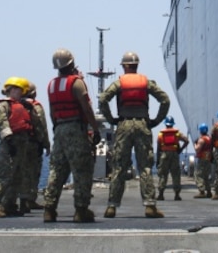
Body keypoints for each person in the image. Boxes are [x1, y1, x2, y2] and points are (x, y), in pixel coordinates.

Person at [97, 50, 170, 219]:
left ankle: (112, 207)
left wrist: (111, 119)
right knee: (145, 166)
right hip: (143, 124)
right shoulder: (146, 83)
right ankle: (150, 206)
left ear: (124, 67)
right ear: (136, 65)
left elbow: (102, 100)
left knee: (119, 166)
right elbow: (165, 100)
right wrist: (156, 121)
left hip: (123, 124)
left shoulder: (119, 83)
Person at [42, 48, 103, 224]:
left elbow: (52, 111)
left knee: (57, 170)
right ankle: (81, 210)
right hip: (76, 128)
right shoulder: (77, 83)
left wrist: (56, 127)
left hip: (59, 129)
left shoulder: (51, 85)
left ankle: (49, 209)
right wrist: (95, 129)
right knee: (82, 170)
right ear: (71, 63)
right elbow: (87, 108)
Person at [0, 77, 40, 217]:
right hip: (10, 146)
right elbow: (2, 124)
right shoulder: (2, 106)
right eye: (20, 91)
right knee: (3, 177)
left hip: (22, 145)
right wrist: (9, 141)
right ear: (12, 90)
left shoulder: (23, 105)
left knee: (17, 176)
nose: (22, 94)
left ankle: (9, 204)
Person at [21, 81, 50, 214]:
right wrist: (46, 144)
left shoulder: (16, 104)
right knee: (33, 171)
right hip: (33, 143)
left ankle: (20, 199)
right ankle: (29, 199)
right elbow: (41, 125)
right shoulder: (35, 106)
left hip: (18, 142)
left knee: (20, 171)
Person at [154, 116, 189, 201]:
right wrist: (180, 149)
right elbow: (186, 141)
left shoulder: (160, 134)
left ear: (165, 124)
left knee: (163, 175)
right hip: (174, 155)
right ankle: (177, 195)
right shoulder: (177, 133)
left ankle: (161, 195)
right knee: (176, 174)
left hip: (164, 155)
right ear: (173, 124)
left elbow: (158, 148)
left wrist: (158, 160)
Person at [193, 122, 214, 198]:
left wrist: (195, 144)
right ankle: (208, 191)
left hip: (202, 159)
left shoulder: (201, 139)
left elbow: (197, 149)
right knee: (206, 176)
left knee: (198, 175)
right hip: (208, 158)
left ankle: (202, 191)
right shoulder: (210, 139)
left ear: (200, 131)